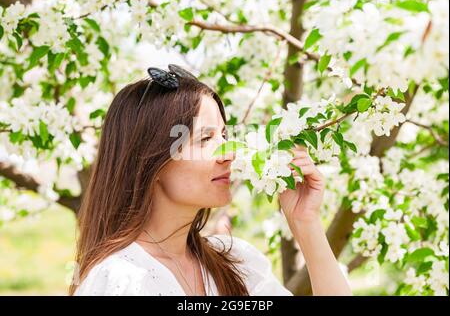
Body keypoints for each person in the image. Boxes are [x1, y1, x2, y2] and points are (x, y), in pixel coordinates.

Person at [70, 64, 352, 296]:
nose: (229, 153)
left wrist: (305, 223)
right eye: (205, 138)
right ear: (150, 160)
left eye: (225, 136)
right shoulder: (120, 280)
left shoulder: (236, 263)